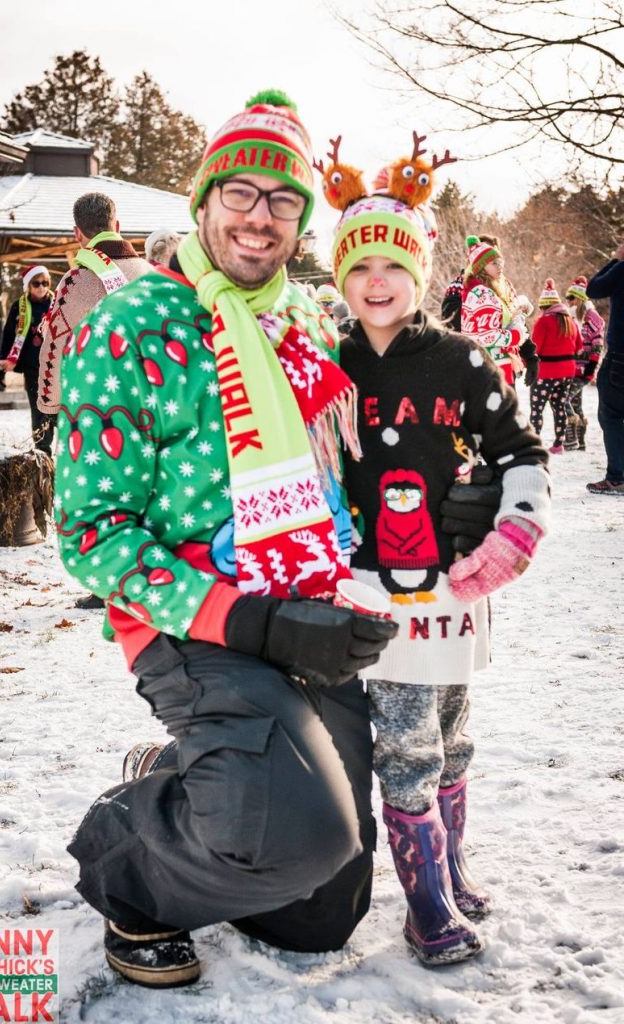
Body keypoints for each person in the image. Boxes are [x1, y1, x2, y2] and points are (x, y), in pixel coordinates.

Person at [53, 91, 501, 989]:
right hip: (197, 621)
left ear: (301, 218)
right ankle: (125, 861)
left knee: (319, 912)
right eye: (241, 193)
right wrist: (252, 624)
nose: (261, 217)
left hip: (311, 601)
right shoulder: (133, 323)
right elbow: (92, 538)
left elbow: (370, 447)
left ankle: (207, 774)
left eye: (283, 200)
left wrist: (463, 488)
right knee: (297, 836)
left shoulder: (301, 322)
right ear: (205, 200)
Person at [321, 148, 550, 965]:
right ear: (340, 274)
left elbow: (521, 450)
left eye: (394, 262)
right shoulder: (327, 366)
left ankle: (449, 866)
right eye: (360, 265)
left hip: (455, 587)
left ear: (419, 268)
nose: (377, 281)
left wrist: (511, 532)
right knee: (407, 742)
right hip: (373, 588)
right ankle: (424, 904)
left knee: (453, 734)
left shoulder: (462, 359)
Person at [38, 192, 151, 610]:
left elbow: (54, 346)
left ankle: (110, 583)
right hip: (152, 407)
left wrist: (50, 406)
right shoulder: (149, 274)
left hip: (98, 412)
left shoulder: (76, 282)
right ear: (116, 226)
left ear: (78, 234)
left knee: (103, 498)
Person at [461, 236, 532, 387]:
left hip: (488, 364)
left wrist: (515, 317)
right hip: (492, 367)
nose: (500, 267)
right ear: (481, 267)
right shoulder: (483, 293)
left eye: (501, 263)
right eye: (494, 263)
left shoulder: (483, 290)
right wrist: (515, 335)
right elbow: (486, 335)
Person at [0, 266, 54, 454]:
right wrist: (3, 362)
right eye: (36, 283)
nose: (41, 287)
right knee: (38, 411)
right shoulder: (19, 306)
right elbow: (8, 336)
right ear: (28, 286)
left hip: (55, 367)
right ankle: (43, 451)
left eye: (45, 283)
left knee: (57, 409)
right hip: (32, 368)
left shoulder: (57, 303)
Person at [585, 246, 624, 495]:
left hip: (621, 356)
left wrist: (615, 260)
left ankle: (616, 477)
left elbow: (593, 288)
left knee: (610, 415)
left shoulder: (622, 269)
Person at [529, 279, 579, 454]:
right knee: (559, 406)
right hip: (567, 372)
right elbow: (579, 346)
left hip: (546, 372)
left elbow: (535, 347)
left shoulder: (544, 322)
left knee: (537, 408)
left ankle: (534, 443)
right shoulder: (570, 321)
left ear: (544, 306)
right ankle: (559, 444)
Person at [563, 276, 605, 451]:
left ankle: (571, 438)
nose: (568, 301)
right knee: (575, 403)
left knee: (562, 399)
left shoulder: (592, 317)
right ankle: (581, 442)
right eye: (567, 298)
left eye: (571, 298)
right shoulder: (571, 317)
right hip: (572, 367)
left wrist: (591, 367)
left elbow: (598, 344)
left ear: (579, 298)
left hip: (584, 368)